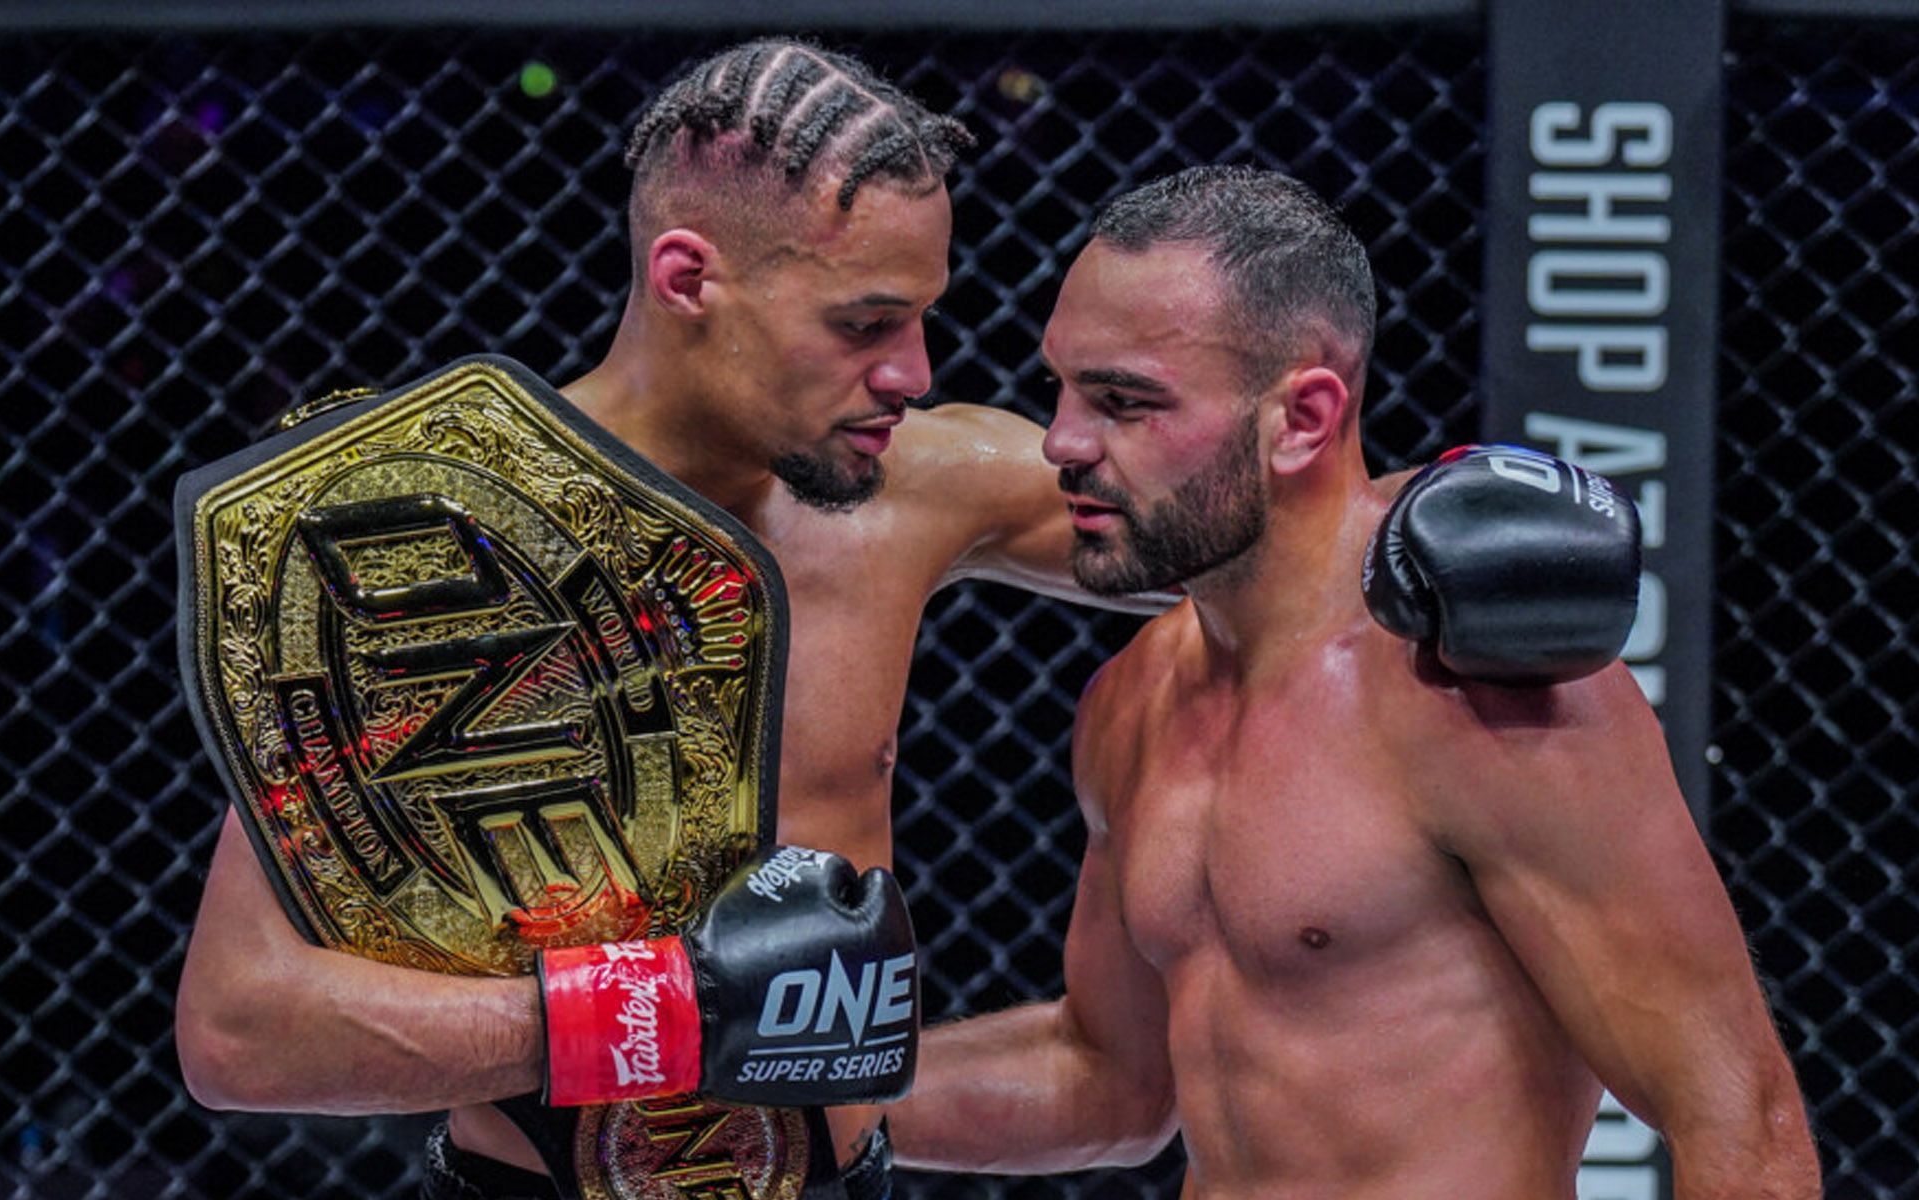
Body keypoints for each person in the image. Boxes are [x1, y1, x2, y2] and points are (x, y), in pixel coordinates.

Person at [171, 42, 1633, 1200]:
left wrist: (1433, 526)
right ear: (692, 280)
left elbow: (1236, 505)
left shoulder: (913, 488)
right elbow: (242, 1030)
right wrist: (664, 1010)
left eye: (923, 320)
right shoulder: (416, 553)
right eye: (865, 324)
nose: (911, 372)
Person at [885, 165, 1822, 1199]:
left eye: (1123, 402)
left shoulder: (1472, 691)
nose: (1061, 441)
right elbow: (1109, 1082)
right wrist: (769, 1099)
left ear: (1302, 417)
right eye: (1062, 387)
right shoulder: (1133, 704)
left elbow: (1743, 1123)